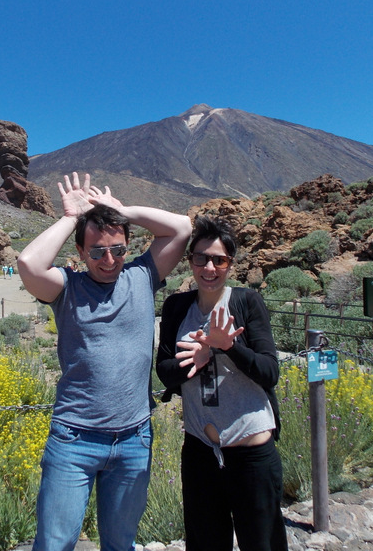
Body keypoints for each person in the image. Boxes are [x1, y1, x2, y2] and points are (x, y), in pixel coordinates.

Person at [17, 172, 191, 551]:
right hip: (74, 439)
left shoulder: (143, 276)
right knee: (54, 544)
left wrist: (120, 210)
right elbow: (29, 264)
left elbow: (181, 228)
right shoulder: (68, 287)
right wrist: (70, 219)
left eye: (117, 249)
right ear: (81, 252)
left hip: (134, 438)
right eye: (96, 251)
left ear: (128, 246)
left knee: (120, 544)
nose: (108, 260)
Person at [156, 216, 287, 551]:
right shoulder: (177, 307)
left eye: (219, 260)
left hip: (251, 455)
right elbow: (165, 371)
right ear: (191, 262)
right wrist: (197, 362)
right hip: (200, 454)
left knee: (263, 544)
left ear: (230, 264)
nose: (209, 267)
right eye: (201, 258)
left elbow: (269, 372)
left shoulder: (245, 303)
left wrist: (227, 347)